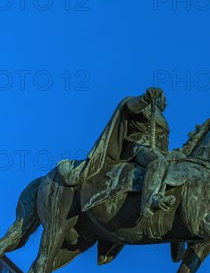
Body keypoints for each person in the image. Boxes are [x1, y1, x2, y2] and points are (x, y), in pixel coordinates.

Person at [58, 87, 176, 216]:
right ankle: (151, 200)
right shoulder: (144, 106)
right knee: (158, 161)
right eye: (163, 99)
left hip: (160, 151)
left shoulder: (162, 118)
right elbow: (132, 107)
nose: (165, 103)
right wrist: (145, 98)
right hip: (140, 148)